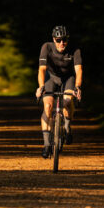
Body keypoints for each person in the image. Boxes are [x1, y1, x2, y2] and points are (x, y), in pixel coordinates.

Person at [35, 26, 82, 158]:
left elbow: (79, 70)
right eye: (59, 40)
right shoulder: (47, 47)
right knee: (48, 106)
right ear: (53, 39)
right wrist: (40, 86)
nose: (62, 43)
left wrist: (77, 87)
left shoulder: (74, 50)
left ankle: (67, 126)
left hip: (68, 78)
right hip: (51, 77)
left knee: (67, 101)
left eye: (65, 40)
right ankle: (46, 144)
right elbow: (42, 70)